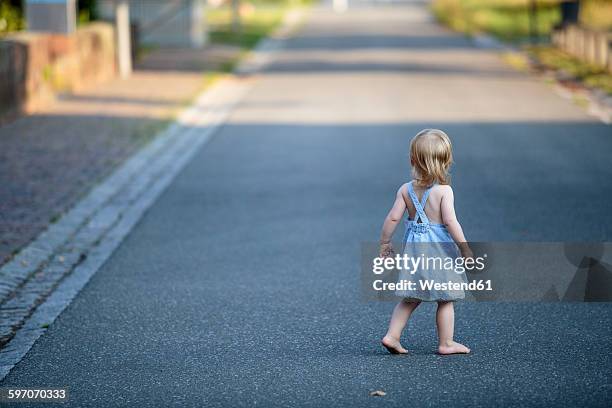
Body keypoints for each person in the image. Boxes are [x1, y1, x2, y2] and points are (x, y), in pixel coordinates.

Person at [379, 129, 472, 355]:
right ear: (447, 161)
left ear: (413, 159)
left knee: (411, 297)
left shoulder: (406, 190)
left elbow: (393, 217)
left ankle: (392, 336)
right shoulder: (444, 191)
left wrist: (385, 241)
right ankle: (446, 343)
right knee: (446, 298)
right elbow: (450, 221)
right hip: (438, 251)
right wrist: (464, 246)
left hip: (415, 252)